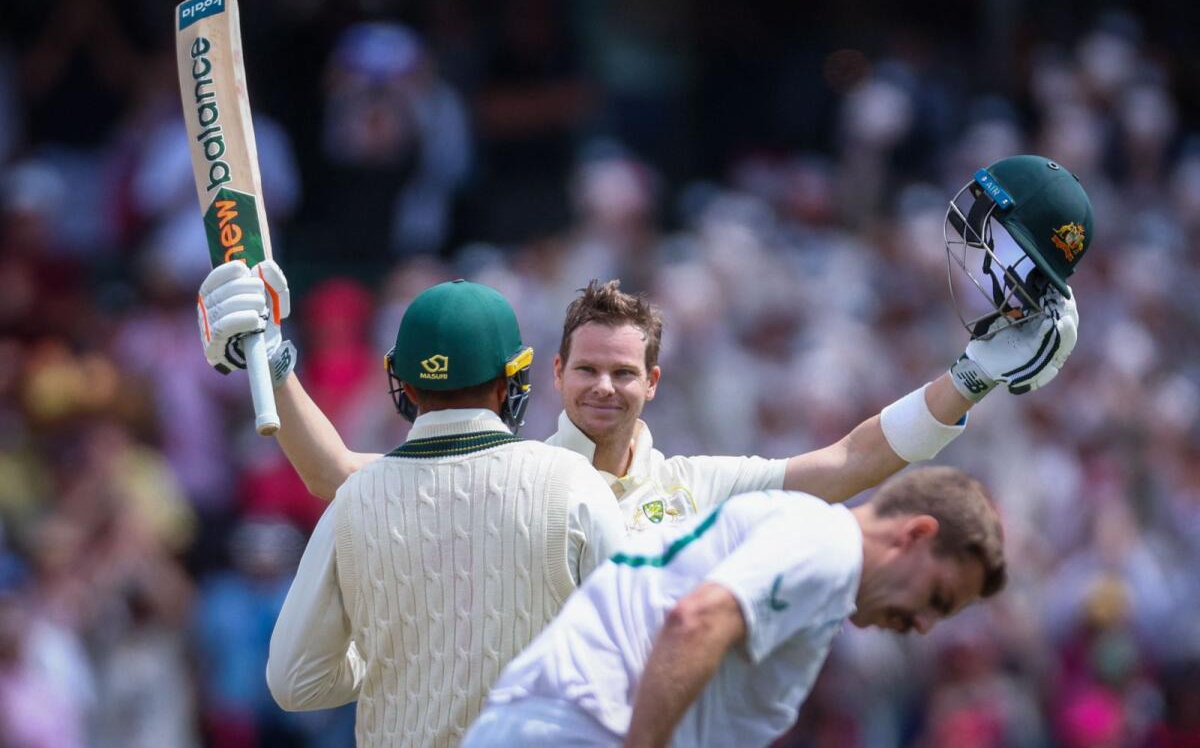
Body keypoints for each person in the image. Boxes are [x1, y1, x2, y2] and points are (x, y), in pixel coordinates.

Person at [196, 155, 1091, 534]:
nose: (603, 389)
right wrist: (274, 360)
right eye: (586, 369)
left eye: (623, 373)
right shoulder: (508, 477)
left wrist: (968, 379)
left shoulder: (693, 488)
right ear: (552, 376)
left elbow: (850, 463)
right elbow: (343, 479)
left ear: (654, 382)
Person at [260, 279, 625, 747]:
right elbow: (628, 656)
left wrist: (396, 655)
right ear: (511, 377)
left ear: (404, 384)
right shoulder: (574, 482)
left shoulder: (354, 499)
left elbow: (295, 682)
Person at [462, 466, 1006, 747]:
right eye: (937, 597)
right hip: (583, 729)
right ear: (915, 534)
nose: (924, 625)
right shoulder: (829, 544)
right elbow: (696, 620)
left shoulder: (809, 539)